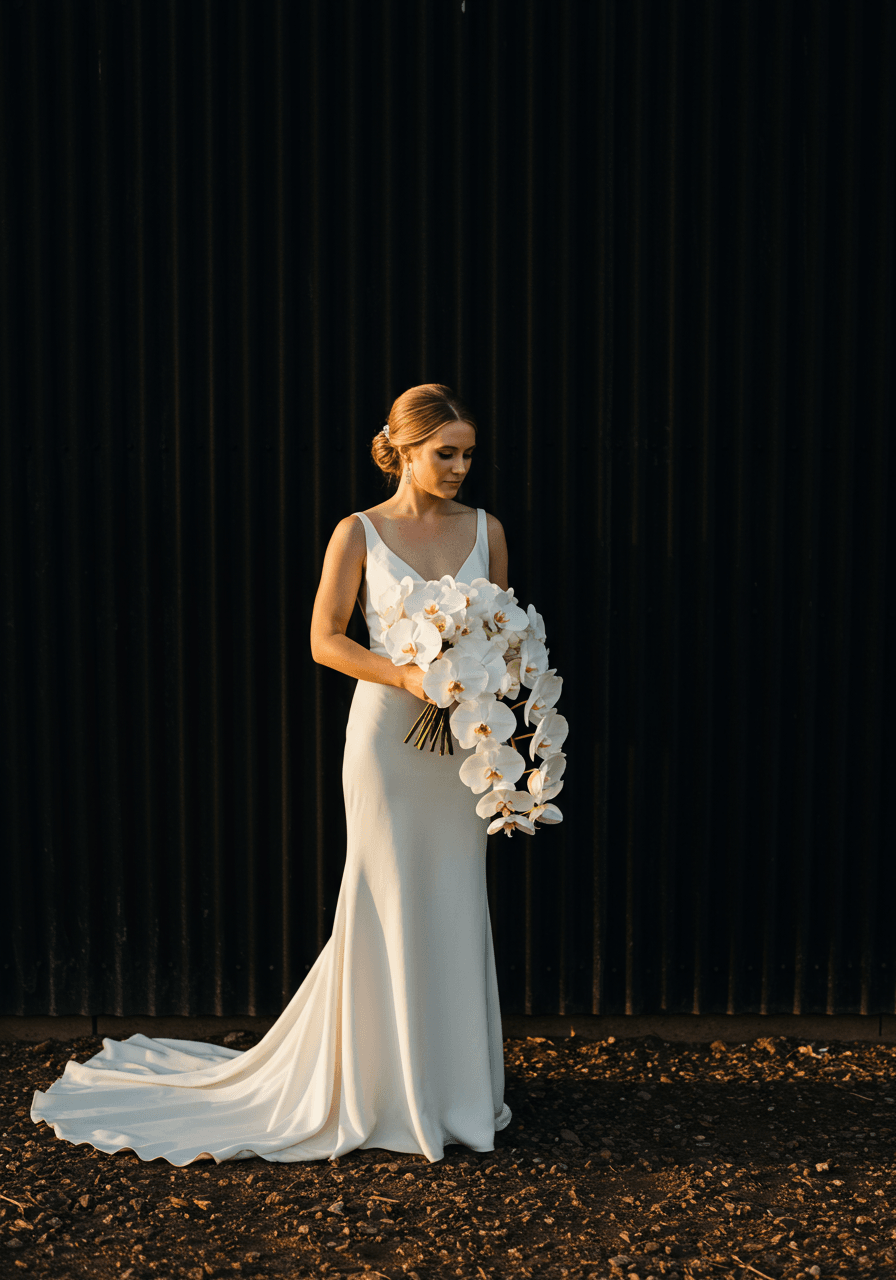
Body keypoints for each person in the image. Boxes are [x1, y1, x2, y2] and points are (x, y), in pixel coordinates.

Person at [30, 383, 513, 1165]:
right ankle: (377, 1089)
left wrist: (487, 682)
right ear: (404, 449)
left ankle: (455, 1091)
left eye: (467, 454)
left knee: (456, 893)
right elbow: (326, 640)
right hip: (390, 737)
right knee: (383, 894)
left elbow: (498, 628)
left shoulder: (487, 530)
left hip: (461, 743)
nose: (459, 467)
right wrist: (407, 676)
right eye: (444, 453)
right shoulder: (358, 533)